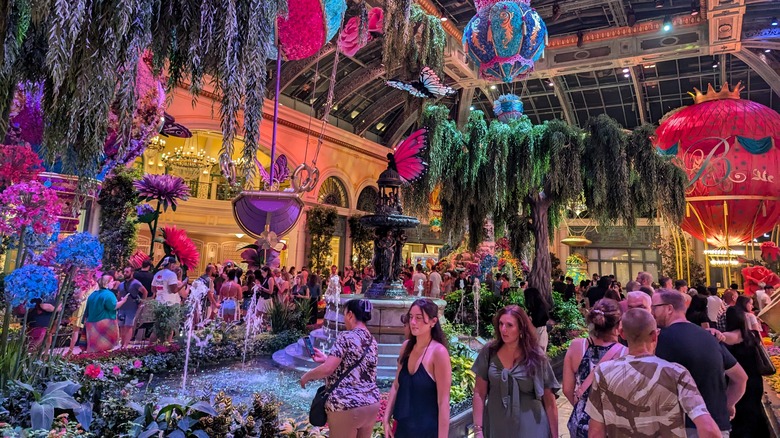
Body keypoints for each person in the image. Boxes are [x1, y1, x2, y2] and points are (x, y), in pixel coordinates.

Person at [585, 308, 721, 438]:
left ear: (622, 334)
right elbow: (709, 430)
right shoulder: (676, 373)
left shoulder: (603, 372)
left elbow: (595, 433)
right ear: (655, 335)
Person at [652, 289, 748, 437]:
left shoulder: (660, 340)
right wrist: (727, 405)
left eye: (655, 307)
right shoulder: (710, 336)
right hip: (716, 424)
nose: (652, 312)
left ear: (669, 308)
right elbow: (740, 378)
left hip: (682, 427)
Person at [471, 305, 559, 437]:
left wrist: (555, 435)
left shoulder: (536, 356)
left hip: (531, 427)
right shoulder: (489, 352)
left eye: (509, 325)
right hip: (497, 426)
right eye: (501, 324)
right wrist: (478, 430)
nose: (503, 329)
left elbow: (550, 401)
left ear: (521, 329)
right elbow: (479, 392)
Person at [300, 299, 380, 438]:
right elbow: (360, 367)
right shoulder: (372, 340)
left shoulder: (346, 336)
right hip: (371, 404)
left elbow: (327, 369)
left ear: (350, 315)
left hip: (347, 405)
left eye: (344, 316)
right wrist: (327, 358)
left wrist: (306, 376)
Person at [384, 299, 451, 438]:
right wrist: (386, 419)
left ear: (433, 322)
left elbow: (443, 402)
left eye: (419, 318)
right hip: (402, 428)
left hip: (427, 431)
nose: (413, 322)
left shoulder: (438, 352)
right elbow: (396, 385)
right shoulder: (406, 347)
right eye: (411, 317)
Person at [563, 298, 625, 438]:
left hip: (580, 423)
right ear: (618, 325)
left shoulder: (576, 346)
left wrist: (581, 407)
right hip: (610, 426)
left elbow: (567, 389)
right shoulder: (624, 354)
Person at [721, 305, 772, 437]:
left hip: (735, 381)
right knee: (755, 411)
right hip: (755, 380)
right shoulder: (752, 335)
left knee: (739, 415)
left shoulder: (725, 338)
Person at [84, 274, 127, 352]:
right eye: (112, 281)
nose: (113, 283)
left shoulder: (93, 294)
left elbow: (86, 310)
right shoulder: (109, 294)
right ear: (106, 283)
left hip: (91, 323)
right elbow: (113, 306)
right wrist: (123, 301)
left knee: (93, 348)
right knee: (106, 348)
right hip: (104, 323)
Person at [117, 266, 147, 347]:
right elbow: (119, 294)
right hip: (122, 308)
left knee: (128, 326)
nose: (125, 273)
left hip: (131, 308)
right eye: (124, 272)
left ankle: (125, 345)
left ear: (132, 273)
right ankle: (122, 344)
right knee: (121, 327)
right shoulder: (121, 284)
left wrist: (142, 302)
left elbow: (144, 291)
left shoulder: (136, 283)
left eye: (127, 272)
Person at [524, 287, 551, 352]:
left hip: (539, 332)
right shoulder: (536, 306)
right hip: (537, 332)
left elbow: (536, 322)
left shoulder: (540, 308)